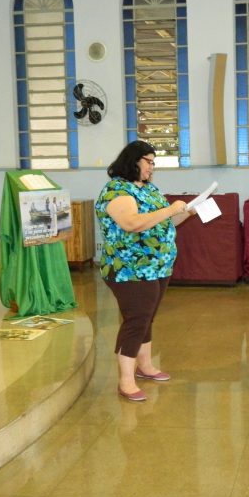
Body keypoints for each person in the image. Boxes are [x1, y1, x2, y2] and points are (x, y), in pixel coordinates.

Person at [95, 140, 192, 401]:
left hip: (157, 267)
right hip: (130, 269)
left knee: (147, 318)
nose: (152, 167)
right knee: (136, 320)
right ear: (133, 160)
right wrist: (170, 209)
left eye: (153, 163)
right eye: (148, 161)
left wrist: (186, 213)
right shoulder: (117, 190)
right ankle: (126, 381)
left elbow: (165, 222)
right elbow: (131, 223)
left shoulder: (149, 189)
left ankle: (145, 366)